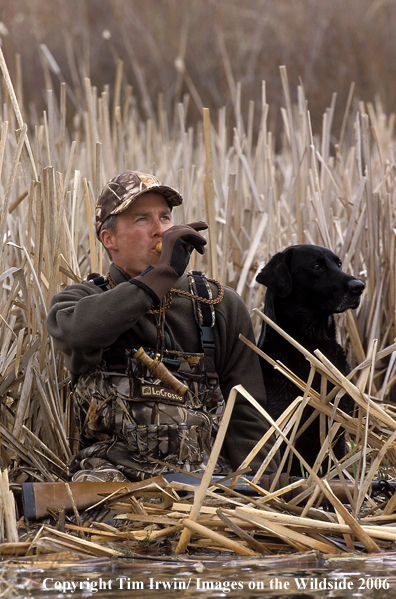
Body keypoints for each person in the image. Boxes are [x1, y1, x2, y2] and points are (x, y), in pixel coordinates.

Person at [47, 171, 279, 482]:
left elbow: (247, 416)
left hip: (203, 483)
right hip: (113, 483)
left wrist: (262, 489)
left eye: (166, 217)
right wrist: (159, 278)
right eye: (142, 219)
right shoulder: (82, 300)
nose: (160, 230)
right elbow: (77, 333)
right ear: (109, 239)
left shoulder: (219, 305)